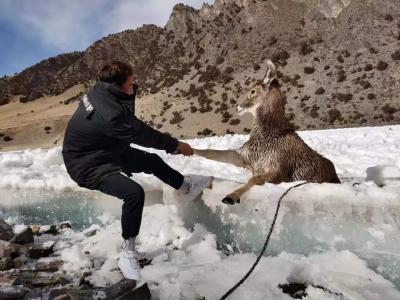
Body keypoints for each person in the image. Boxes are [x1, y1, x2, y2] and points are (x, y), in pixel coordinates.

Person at [62, 61, 212, 281]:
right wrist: (175, 145)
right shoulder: (109, 114)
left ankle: (185, 187)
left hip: (107, 149)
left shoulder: (103, 91)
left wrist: (130, 91)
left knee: (151, 161)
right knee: (133, 193)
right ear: (117, 83)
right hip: (86, 164)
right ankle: (128, 251)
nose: (135, 83)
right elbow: (141, 134)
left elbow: (128, 119)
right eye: (131, 80)